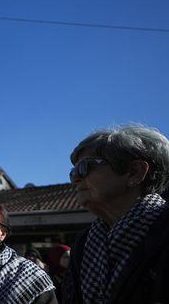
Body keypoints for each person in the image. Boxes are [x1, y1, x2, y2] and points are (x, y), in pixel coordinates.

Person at [63, 125, 169, 304]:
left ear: (134, 172)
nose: (75, 178)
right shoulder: (83, 244)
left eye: (85, 167)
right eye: (73, 171)